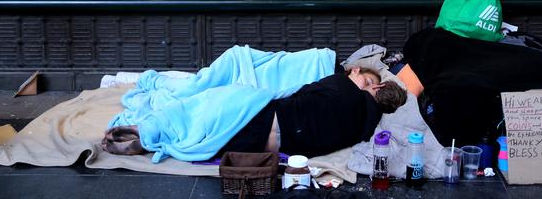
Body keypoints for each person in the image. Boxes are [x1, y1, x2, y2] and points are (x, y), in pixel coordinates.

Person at [102, 66, 407, 159]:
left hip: (258, 115)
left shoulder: (341, 86)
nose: (363, 83)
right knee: (199, 129)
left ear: (377, 91)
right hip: (258, 147)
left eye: (369, 83)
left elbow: (300, 92)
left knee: (200, 106)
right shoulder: (363, 131)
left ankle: (146, 130)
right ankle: (149, 134)